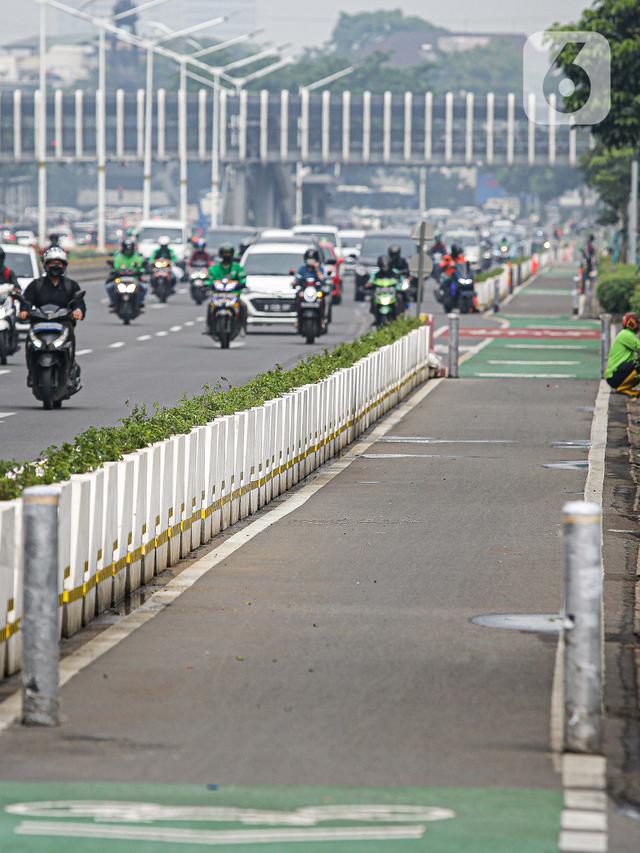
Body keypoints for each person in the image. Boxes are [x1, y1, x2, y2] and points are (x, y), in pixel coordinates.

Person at [19, 246, 85, 390]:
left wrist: (78, 310)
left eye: (59, 263)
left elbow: (78, 302)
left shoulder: (70, 285)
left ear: (64, 265)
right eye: (52, 262)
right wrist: (24, 311)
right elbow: (26, 301)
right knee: (30, 345)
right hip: (39, 324)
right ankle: (31, 372)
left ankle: (69, 372)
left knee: (69, 343)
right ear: (46, 264)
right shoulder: (36, 285)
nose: (56, 265)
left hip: (63, 325)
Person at [206, 243, 248, 326]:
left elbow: (242, 278)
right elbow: (210, 279)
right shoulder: (214, 268)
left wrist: (242, 284)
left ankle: (242, 326)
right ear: (221, 254)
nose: (227, 255)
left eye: (228, 253)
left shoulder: (237, 268)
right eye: (225, 253)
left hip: (234, 294)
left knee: (243, 306)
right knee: (210, 306)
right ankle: (209, 326)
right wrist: (208, 284)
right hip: (218, 294)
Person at [605, 312, 640, 397]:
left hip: (617, 375)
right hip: (615, 376)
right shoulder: (626, 334)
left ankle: (625, 388)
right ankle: (622, 388)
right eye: (637, 322)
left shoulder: (629, 335)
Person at [107, 237, 147, 309]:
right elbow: (115, 267)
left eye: (129, 250)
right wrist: (115, 271)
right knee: (109, 286)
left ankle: (139, 302)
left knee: (144, 287)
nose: (128, 251)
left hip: (134, 279)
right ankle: (114, 302)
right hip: (119, 279)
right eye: (126, 250)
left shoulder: (137, 257)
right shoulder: (118, 257)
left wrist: (141, 270)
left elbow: (142, 266)